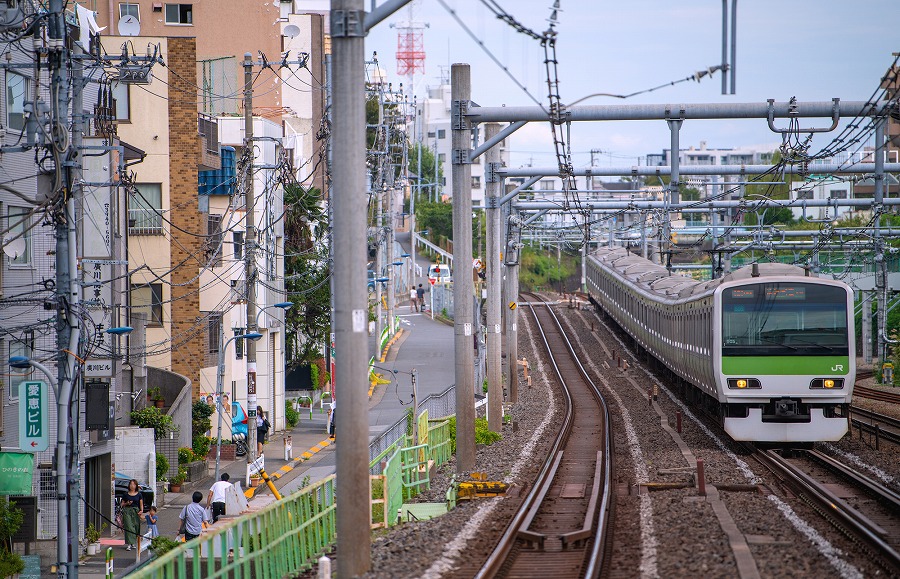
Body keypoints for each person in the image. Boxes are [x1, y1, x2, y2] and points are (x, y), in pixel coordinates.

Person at [122, 479, 143, 551]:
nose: (132, 486)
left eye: (134, 484)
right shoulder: (125, 494)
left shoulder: (139, 494)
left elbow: (141, 504)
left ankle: (133, 543)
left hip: (136, 511)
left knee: (136, 526)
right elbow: (122, 504)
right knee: (129, 527)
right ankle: (129, 544)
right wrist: (127, 503)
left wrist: (141, 511)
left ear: (136, 485)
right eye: (131, 484)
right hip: (127, 511)